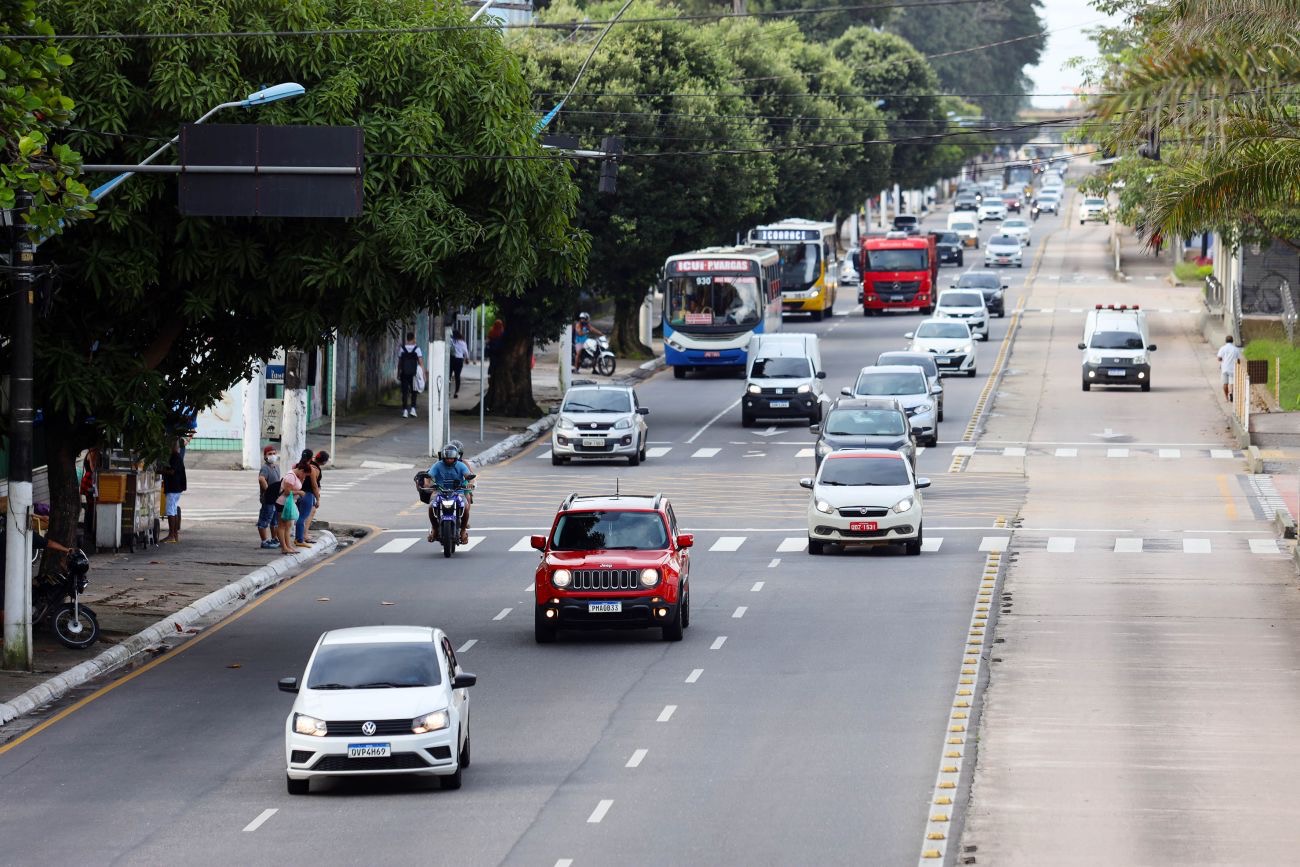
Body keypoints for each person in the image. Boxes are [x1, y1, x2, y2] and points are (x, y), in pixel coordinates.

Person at [425, 444, 476, 545]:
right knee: (431, 507)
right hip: (440, 491)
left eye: (451, 458)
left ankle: (462, 531)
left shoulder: (461, 465)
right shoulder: (437, 465)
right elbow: (429, 476)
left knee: (465, 507)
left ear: (456, 458)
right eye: (447, 458)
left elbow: (468, 476)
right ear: (443, 458)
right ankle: (435, 529)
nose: (449, 460)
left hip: (458, 492)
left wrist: (470, 483)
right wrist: (427, 484)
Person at [161, 437, 187, 543]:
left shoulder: (175, 457)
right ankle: (174, 534)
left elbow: (172, 471)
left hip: (173, 487)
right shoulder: (177, 456)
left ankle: (171, 534)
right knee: (174, 510)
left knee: (170, 511)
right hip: (176, 487)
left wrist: (161, 471)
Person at [256, 445, 281, 549]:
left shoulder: (276, 467)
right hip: (268, 499)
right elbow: (261, 479)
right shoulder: (265, 468)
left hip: (275, 498)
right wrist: (268, 490)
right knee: (264, 520)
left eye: (274, 453)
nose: (272, 456)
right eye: (270, 454)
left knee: (274, 520)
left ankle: (274, 538)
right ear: (265, 456)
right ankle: (264, 541)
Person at [275, 463, 304, 554]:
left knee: (288, 526)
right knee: (282, 525)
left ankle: (288, 546)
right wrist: (299, 492)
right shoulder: (291, 476)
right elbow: (287, 492)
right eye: (305, 474)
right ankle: (284, 547)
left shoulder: (296, 475)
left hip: (288, 503)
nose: (304, 476)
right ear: (301, 470)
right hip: (282, 503)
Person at [396, 332, 424, 419]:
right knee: (414, 391)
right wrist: (423, 373)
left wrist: (398, 373)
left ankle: (405, 410)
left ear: (407, 339)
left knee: (404, 392)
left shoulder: (402, 349)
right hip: (414, 374)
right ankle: (413, 409)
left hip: (404, 373)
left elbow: (400, 363)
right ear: (413, 339)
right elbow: (420, 362)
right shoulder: (417, 349)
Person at [294, 450, 319, 546]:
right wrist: (318, 499)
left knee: (299, 517)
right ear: (311, 458)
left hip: (298, 494)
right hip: (307, 494)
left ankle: (298, 538)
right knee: (302, 517)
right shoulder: (311, 469)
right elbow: (314, 486)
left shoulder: (297, 466)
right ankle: (299, 540)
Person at [1217, 335, 1244, 401]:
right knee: (1232, 382)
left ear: (1225, 341)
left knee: (1225, 383)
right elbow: (1238, 360)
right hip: (1233, 368)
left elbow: (1219, 358)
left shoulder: (1222, 348)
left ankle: (1226, 397)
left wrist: (1222, 360)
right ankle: (1231, 392)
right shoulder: (1236, 349)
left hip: (1225, 368)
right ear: (1232, 341)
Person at [450, 330, 468, 399]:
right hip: (459, 360)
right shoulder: (462, 342)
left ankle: (448, 391)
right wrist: (467, 359)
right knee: (457, 377)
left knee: (449, 376)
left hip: (452, 359)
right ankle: (456, 392)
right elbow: (466, 352)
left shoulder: (451, 341)